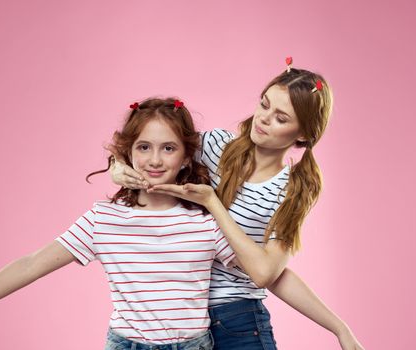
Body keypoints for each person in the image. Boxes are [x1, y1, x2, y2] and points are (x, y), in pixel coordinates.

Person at [0, 98, 239, 350]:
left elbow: (260, 270)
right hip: (126, 344)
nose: (155, 160)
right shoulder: (104, 219)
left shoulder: (206, 219)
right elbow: (31, 265)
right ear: (128, 153)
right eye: (144, 147)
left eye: (169, 148)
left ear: (187, 157)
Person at [110, 67, 365, 350]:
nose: (264, 119)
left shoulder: (292, 190)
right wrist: (117, 168)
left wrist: (339, 328)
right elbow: (151, 147)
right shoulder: (213, 146)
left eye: (281, 118)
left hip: (238, 320)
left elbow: (267, 273)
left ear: (303, 134)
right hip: (181, 320)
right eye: (264, 104)